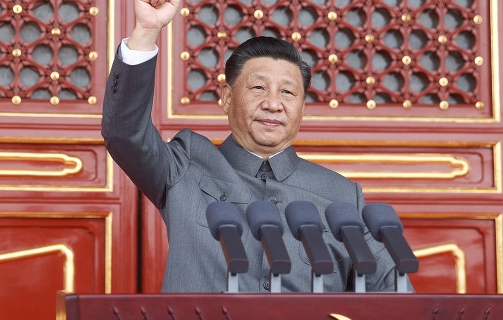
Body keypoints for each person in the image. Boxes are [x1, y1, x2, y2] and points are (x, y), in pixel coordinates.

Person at [102, 0, 413, 293]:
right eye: (259, 87)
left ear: (302, 108)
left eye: (288, 93)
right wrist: (147, 30)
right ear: (226, 97)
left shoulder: (342, 197)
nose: (273, 104)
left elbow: (395, 294)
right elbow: (124, 132)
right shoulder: (185, 168)